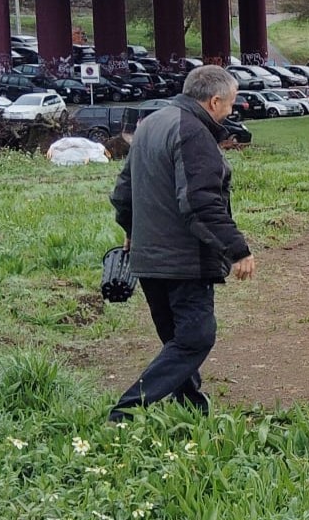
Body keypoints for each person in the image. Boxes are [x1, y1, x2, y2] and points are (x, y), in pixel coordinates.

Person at [108, 64, 256, 419]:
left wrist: (131, 230)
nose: (232, 110)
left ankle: (191, 407)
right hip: (184, 260)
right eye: (231, 103)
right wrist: (237, 249)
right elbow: (200, 203)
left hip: (147, 258)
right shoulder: (193, 132)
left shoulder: (151, 124)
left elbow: (123, 192)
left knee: (178, 338)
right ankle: (126, 411)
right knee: (196, 338)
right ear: (215, 101)